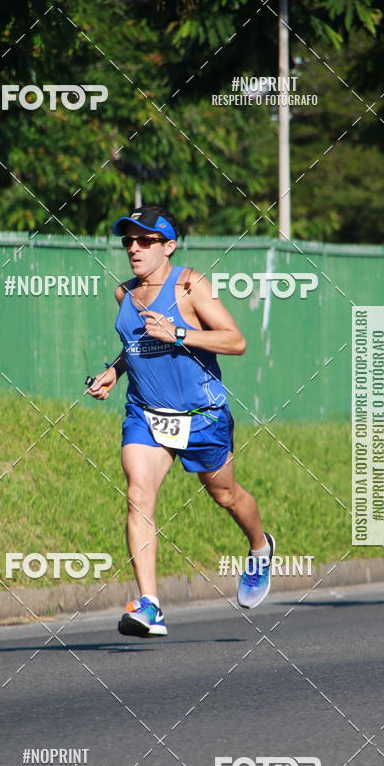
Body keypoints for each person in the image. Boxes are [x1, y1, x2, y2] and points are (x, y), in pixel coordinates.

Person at [87, 205, 274, 636]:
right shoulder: (124, 295)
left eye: (146, 240)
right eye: (128, 241)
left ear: (168, 246)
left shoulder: (191, 286)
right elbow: (134, 345)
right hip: (146, 414)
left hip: (201, 417)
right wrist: (114, 372)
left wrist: (180, 333)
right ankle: (150, 605)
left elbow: (236, 341)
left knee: (225, 495)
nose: (134, 248)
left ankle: (260, 547)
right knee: (138, 493)